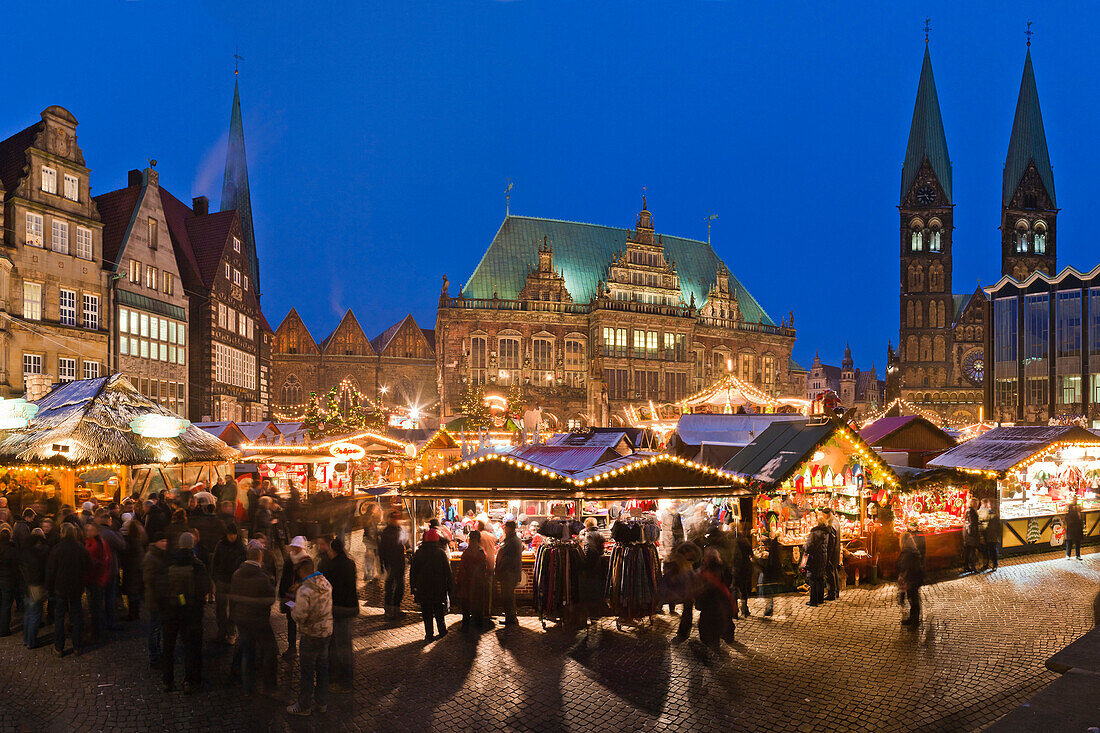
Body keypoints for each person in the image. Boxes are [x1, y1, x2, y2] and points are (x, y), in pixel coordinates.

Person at [161, 532, 211, 693]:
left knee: (168, 647)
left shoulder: (169, 562)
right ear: (192, 545)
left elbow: (161, 587)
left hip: (170, 611)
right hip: (191, 613)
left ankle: (167, 680)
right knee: (192, 648)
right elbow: (203, 589)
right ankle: (190, 681)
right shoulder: (198, 565)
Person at [230, 542, 279, 696]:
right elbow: (270, 599)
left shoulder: (237, 574)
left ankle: (247, 687)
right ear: (259, 558)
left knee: (247, 652)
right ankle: (269, 686)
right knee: (269, 650)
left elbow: (233, 597)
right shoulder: (262, 577)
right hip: (259, 620)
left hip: (242, 619)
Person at [286, 557, 333, 717]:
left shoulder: (304, 591)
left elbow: (299, 617)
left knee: (307, 672)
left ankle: (304, 706)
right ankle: (322, 703)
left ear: (301, 571)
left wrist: (291, 602)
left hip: (310, 635)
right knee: (322, 670)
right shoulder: (326, 583)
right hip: (325, 633)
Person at [317, 535, 358, 692]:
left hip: (338, 609)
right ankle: (341, 677)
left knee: (342, 646)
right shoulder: (349, 563)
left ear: (332, 550)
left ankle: (345, 681)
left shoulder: (332, 567)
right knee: (341, 644)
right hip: (348, 608)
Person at [45, 523, 92, 656]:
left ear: (63, 533)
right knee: (77, 615)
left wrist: (49, 587)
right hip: (76, 586)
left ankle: (59, 647)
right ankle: (77, 646)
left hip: (61, 587)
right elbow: (89, 566)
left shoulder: (57, 549)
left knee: (60, 617)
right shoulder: (81, 548)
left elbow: (51, 570)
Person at [410, 528, 452, 641]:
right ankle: (442, 631)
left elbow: (413, 572)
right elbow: (448, 573)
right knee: (439, 610)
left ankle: (429, 634)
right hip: (438, 588)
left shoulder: (419, 553)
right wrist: (449, 588)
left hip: (423, 588)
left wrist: (413, 588)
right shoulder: (441, 553)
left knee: (426, 613)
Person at [211, 523, 246, 644]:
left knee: (234, 609)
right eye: (230, 535)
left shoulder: (241, 547)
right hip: (222, 580)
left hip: (234, 582)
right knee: (220, 608)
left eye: (233, 535)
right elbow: (215, 562)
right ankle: (221, 631)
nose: (231, 537)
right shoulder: (221, 545)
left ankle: (231, 632)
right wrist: (215, 578)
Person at [695, 547, 735, 650]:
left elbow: (705, 586)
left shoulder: (708, 570)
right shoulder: (721, 567)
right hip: (718, 601)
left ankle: (712, 644)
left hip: (711, 602)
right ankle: (717, 641)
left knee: (709, 625)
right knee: (717, 623)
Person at [279, 536, 311, 661]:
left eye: (297, 547)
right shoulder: (289, 559)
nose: (295, 549)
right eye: (294, 547)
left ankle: (305, 648)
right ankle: (292, 647)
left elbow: (309, 579)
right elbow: (284, 577)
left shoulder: (306, 561)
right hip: (290, 597)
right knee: (291, 620)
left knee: (302, 621)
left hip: (301, 597)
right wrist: (282, 594)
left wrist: (299, 586)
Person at [142, 532, 170, 667]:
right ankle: (154, 656)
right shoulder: (151, 557)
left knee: (157, 629)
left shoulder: (159, 555)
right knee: (154, 629)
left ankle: (157, 653)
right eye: (162, 541)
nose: (165, 543)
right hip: (155, 599)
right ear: (155, 542)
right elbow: (149, 579)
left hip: (161, 598)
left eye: (166, 541)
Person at [455, 530, 492, 632]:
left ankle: (465, 626)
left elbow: (462, 570)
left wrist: (459, 581)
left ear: (470, 539)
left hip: (467, 582)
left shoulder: (467, 553)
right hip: (478, 582)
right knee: (478, 604)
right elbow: (484, 568)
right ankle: (478, 624)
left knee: (466, 605)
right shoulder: (481, 552)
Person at [19, 527, 49, 648]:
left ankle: (26, 639)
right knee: (35, 614)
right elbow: (40, 571)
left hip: (26, 586)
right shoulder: (38, 555)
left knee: (28, 614)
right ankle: (31, 641)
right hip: (35, 587)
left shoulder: (24, 554)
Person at [83, 522, 111, 644]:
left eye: (90, 530)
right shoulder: (92, 542)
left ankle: (97, 634)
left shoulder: (97, 545)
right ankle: (96, 631)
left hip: (95, 581)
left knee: (95, 608)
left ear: (96, 531)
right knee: (94, 607)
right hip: (95, 580)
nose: (87, 532)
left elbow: (96, 564)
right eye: (87, 530)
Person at [378, 511, 409, 620]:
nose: (397, 520)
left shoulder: (401, 529)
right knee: (390, 586)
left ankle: (396, 608)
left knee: (400, 586)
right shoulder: (385, 532)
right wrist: (382, 564)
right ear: (390, 520)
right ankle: (388, 610)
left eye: (398, 518)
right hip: (390, 563)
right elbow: (381, 550)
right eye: (394, 518)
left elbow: (406, 543)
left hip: (400, 561)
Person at [495, 520, 523, 625]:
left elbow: (506, 558)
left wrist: (500, 568)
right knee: (509, 596)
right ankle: (511, 617)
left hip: (509, 573)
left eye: (505, 527)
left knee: (508, 596)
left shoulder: (511, 541)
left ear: (509, 528)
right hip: (511, 572)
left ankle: (510, 618)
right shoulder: (514, 540)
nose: (503, 529)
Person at [800, 512, 829, 607]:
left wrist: (804, 547)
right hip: (823, 557)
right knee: (820, 578)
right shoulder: (826, 533)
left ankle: (813, 600)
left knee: (813, 578)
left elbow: (808, 547)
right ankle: (820, 598)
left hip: (814, 557)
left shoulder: (814, 533)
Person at [121, 515, 147, 622]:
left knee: (133, 593)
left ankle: (132, 614)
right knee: (136, 592)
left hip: (132, 570)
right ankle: (135, 613)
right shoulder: (139, 541)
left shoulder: (130, 542)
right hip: (137, 569)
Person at [897, 531, 925, 628]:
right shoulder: (911, 550)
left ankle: (915, 622)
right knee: (912, 598)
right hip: (912, 578)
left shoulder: (908, 553)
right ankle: (912, 619)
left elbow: (906, 568)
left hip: (912, 579)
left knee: (913, 599)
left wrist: (904, 579)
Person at [756, 528, 782, 617]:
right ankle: (769, 607)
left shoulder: (775, 545)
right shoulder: (776, 545)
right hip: (774, 571)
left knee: (764, 587)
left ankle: (769, 607)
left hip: (770, 570)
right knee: (768, 589)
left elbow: (772, 559)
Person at [733, 522, 753, 617]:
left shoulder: (732, 540)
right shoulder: (743, 540)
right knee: (743, 588)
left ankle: (735, 609)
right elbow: (750, 551)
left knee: (735, 588)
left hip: (736, 567)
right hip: (744, 567)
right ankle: (744, 608)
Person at [0, 524, 17, 636]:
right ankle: (4, 629)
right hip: (7, 579)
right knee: (6, 605)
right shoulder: (11, 549)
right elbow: (15, 567)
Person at [962, 497, 981, 572]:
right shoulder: (972, 511)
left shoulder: (968, 510)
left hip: (967, 533)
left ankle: (966, 566)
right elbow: (973, 523)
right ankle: (973, 567)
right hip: (971, 534)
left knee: (967, 551)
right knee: (972, 551)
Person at [982, 503, 1001, 571]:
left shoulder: (995, 516)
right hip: (986, 535)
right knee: (987, 550)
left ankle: (994, 564)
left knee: (993, 550)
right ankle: (987, 564)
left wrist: (997, 535)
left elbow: (998, 527)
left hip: (992, 535)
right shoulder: (985, 514)